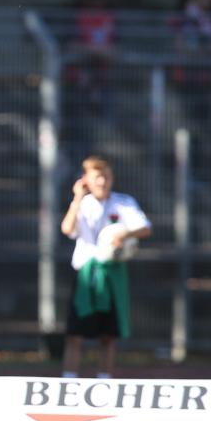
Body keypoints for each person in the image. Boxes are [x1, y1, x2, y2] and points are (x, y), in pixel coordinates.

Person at [60, 156, 151, 379]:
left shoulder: (123, 202)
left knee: (109, 335)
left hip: (113, 274)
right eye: (97, 177)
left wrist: (124, 234)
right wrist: (77, 198)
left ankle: (104, 381)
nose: (102, 181)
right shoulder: (82, 204)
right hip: (86, 275)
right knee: (75, 333)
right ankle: (68, 381)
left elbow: (145, 228)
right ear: (86, 179)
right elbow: (67, 229)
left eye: (106, 176)